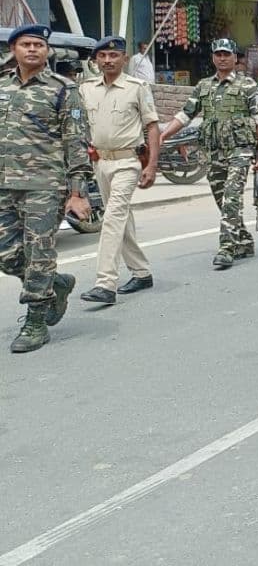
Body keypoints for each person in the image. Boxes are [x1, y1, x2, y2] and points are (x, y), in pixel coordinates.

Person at [0, 24, 91, 352]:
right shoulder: (2, 87)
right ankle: (55, 284)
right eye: (26, 44)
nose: (33, 49)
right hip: (4, 184)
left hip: (45, 185)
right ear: (14, 49)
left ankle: (36, 320)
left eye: (39, 44)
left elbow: (76, 140)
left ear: (47, 51)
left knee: (39, 253)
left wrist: (77, 191)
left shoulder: (63, 89)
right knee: (7, 255)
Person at [158, 39, 258, 269]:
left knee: (231, 197)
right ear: (212, 58)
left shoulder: (247, 86)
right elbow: (185, 114)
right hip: (213, 151)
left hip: (240, 151)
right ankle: (244, 240)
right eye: (217, 54)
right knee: (221, 198)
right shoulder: (204, 86)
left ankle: (226, 248)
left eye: (226, 54)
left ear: (235, 58)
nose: (222, 58)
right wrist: (164, 134)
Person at [77, 36, 159, 305]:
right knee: (121, 219)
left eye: (114, 56)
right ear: (95, 60)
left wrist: (152, 165)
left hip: (127, 162)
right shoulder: (86, 89)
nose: (108, 60)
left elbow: (152, 127)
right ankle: (142, 272)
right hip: (100, 162)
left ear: (125, 59)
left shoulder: (137, 87)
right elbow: (79, 127)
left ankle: (105, 283)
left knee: (112, 217)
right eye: (103, 56)